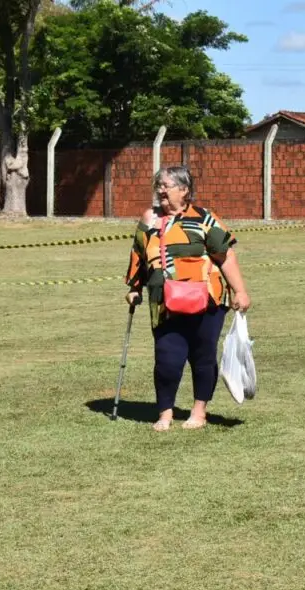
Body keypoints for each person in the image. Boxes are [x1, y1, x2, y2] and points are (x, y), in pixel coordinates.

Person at [124, 166, 251, 431]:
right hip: (164, 303)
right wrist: (135, 286)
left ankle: (199, 411)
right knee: (167, 359)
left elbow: (225, 255)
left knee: (203, 356)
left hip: (207, 302)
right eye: (158, 185)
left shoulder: (204, 218)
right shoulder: (149, 218)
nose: (160, 190)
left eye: (166, 185)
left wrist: (239, 290)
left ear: (184, 190)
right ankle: (165, 413)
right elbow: (139, 253)